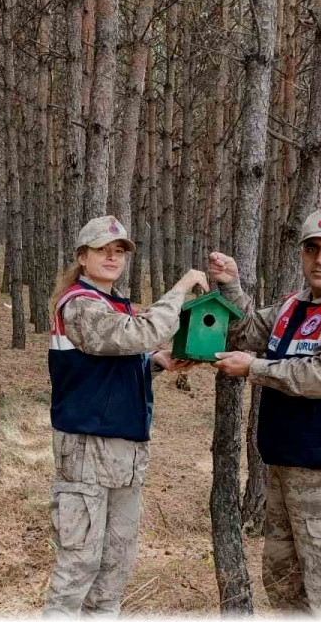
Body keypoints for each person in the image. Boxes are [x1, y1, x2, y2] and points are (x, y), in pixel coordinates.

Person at [208, 206, 321, 615]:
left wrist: (253, 368)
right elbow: (246, 331)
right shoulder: (293, 306)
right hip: (283, 469)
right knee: (284, 587)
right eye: (312, 249)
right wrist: (231, 288)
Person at [42, 215, 205, 617]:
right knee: (77, 567)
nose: (112, 257)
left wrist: (158, 362)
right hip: (86, 448)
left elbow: (111, 363)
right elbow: (135, 334)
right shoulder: (80, 303)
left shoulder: (113, 303)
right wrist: (181, 290)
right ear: (82, 257)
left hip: (125, 450)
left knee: (115, 565)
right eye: (102, 250)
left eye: (119, 251)